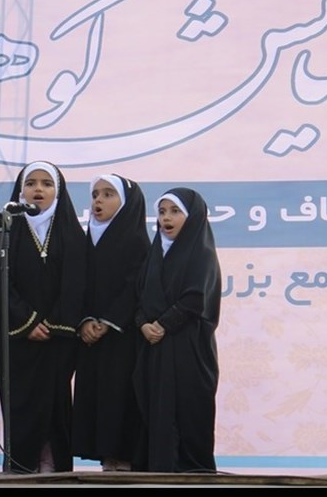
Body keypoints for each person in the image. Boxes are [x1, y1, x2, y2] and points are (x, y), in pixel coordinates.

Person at [2, 161, 86, 473]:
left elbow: (76, 284)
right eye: (31, 183)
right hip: (19, 338)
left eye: (46, 184)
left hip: (57, 338)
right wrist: (26, 321)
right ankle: (20, 467)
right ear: (20, 191)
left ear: (58, 192)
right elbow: (1, 282)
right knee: (21, 404)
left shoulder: (72, 233)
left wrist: (52, 323)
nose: (38, 189)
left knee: (54, 404)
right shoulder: (7, 232)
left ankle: (53, 466)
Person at [132, 187, 222, 473]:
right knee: (155, 411)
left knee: (188, 412)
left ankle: (193, 474)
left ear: (193, 217)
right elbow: (140, 297)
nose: (166, 218)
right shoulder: (154, 255)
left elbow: (196, 298)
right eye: (161, 212)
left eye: (174, 212)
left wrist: (162, 324)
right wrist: (143, 324)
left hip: (189, 350)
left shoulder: (202, 254)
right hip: (154, 349)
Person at [72, 174, 151, 472]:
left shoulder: (137, 241)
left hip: (123, 336)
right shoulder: (84, 239)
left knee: (120, 395)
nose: (98, 201)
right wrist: (84, 320)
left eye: (108, 194)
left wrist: (107, 321)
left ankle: (124, 460)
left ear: (126, 203)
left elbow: (134, 287)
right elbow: (76, 285)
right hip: (89, 336)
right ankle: (107, 459)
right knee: (97, 397)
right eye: (95, 195)